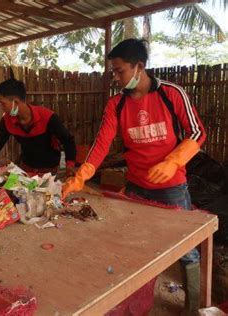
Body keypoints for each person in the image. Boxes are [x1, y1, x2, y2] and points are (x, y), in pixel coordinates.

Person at [62, 38, 206, 314]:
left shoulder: (171, 93)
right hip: (137, 186)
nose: (115, 78)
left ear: (139, 67)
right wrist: (81, 176)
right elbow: (101, 144)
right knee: (137, 247)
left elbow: (197, 132)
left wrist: (173, 161)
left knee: (186, 249)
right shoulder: (116, 104)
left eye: (119, 71)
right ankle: (139, 305)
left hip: (172, 186)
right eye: (113, 72)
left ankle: (192, 307)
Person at [0, 77, 76, 177]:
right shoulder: (7, 121)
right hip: (26, 168)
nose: (1, 107)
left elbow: (68, 140)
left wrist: (70, 166)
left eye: (2, 103)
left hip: (49, 171)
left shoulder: (48, 117)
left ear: (15, 102)